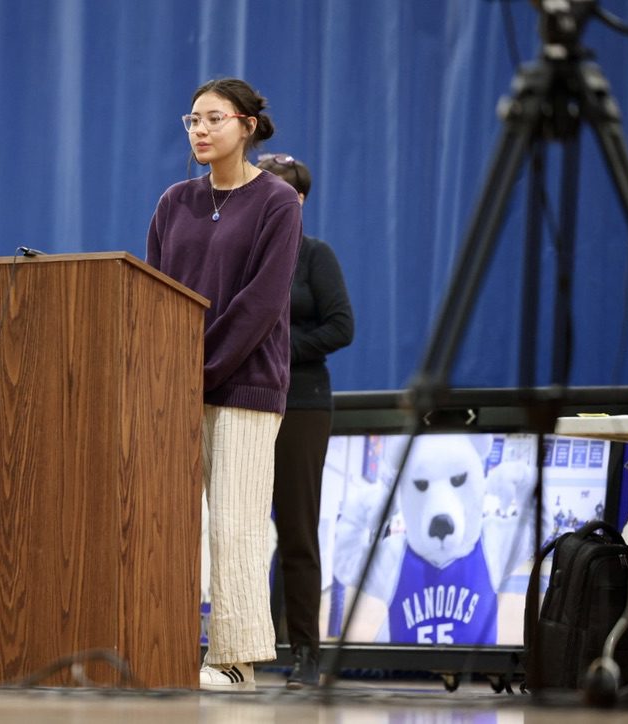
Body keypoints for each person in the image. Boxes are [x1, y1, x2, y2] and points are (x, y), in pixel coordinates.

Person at [146, 78, 302, 692]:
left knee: (235, 525)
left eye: (213, 119)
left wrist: (201, 372)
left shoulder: (277, 203)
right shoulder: (173, 202)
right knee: (169, 523)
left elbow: (261, 302)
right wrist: (163, 375)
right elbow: (152, 294)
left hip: (245, 385)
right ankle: (159, 643)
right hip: (172, 388)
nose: (200, 131)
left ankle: (235, 659)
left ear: (248, 126)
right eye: (192, 120)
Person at [257, 153, 354, 688]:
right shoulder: (243, 257)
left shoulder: (315, 256)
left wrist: (277, 347)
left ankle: (306, 654)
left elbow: (342, 327)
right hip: (244, 400)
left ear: (297, 202)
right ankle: (240, 648)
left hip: (302, 405)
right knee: (241, 531)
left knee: (297, 531)